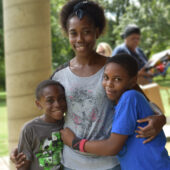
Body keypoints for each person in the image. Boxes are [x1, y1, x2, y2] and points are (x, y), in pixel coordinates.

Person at [11, 1, 166, 170]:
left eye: (86, 32)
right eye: (73, 33)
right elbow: (50, 117)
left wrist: (160, 118)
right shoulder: (60, 75)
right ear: (67, 35)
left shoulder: (114, 71)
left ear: (97, 32)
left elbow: (142, 103)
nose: (80, 39)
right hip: (71, 163)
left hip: (110, 163)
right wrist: (26, 145)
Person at [60, 54, 170, 170]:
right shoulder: (123, 102)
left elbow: (112, 147)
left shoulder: (130, 98)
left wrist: (74, 142)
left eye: (117, 79)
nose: (109, 84)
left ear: (133, 81)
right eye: (106, 77)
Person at [16, 80, 67, 170]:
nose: (57, 104)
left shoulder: (69, 124)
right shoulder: (30, 129)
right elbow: (23, 164)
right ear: (38, 104)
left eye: (61, 98)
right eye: (50, 100)